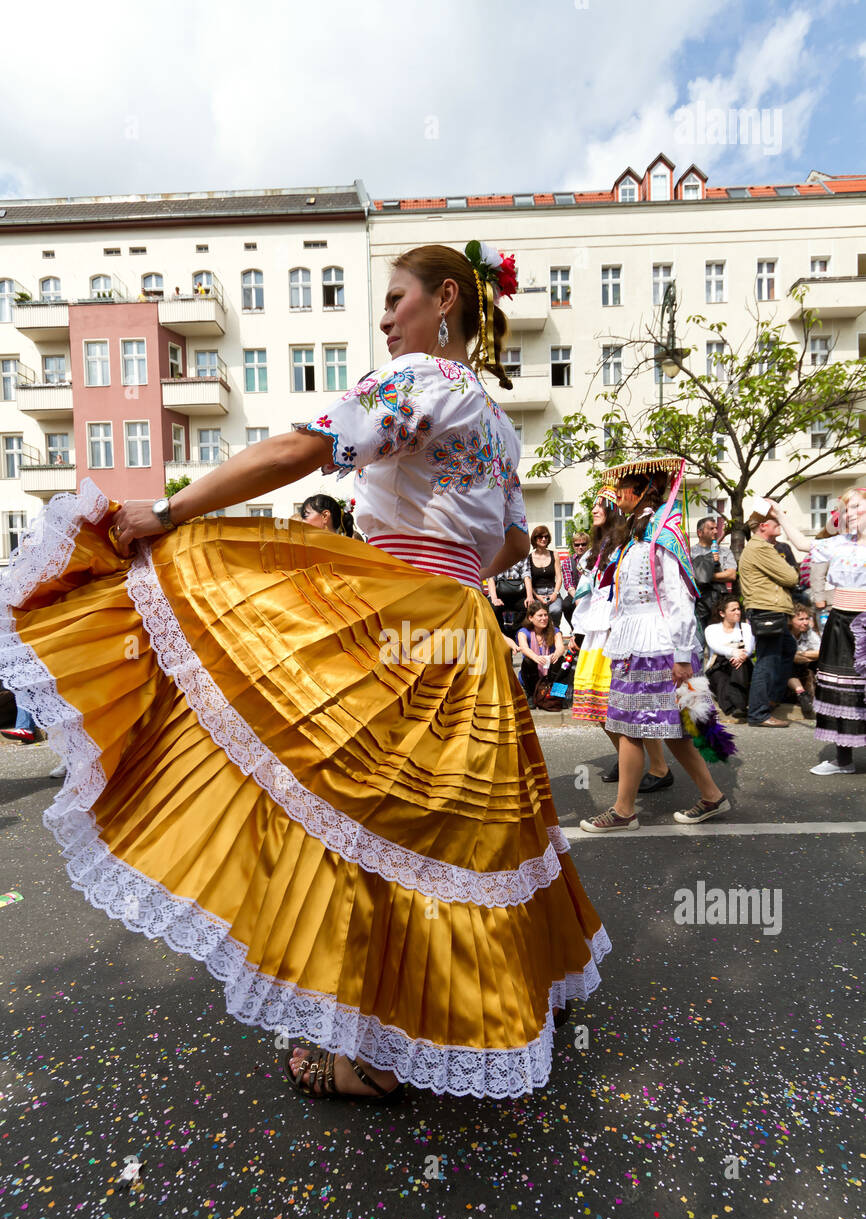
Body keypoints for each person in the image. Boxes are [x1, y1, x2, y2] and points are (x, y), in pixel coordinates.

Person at [0, 239, 608, 1103]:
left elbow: (302, 448)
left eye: (397, 298)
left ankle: (367, 1052)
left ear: (445, 300)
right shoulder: (496, 417)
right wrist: (447, 540)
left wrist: (169, 511)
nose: (387, 316)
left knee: (358, 810)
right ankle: (482, 1003)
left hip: (401, 611)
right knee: (455, 825)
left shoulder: (418, 382)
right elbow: (511, 541)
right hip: (464, 627)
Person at [580, 458, 730, 831]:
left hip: (660, 648)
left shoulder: (663, 536)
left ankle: (623, 811)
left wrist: (682, 656)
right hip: (636, 646)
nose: (617, 495)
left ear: (644, 490)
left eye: (623, 488)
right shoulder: (635, 537)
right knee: (671, 729)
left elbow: (679, 600)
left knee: (638, 726)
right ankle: (712, 796)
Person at [571, 488, 672, 791]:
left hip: (616, 629)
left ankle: (658, 766)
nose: (595, 510)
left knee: (626, 704)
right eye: (593, 505)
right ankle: (628, 757)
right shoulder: (596, 547)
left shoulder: (625, 541)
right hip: (595, 629)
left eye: (601, 504)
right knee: (597, 705)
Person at [770, 489, 866, 774]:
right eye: (846, 509)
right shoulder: (838, 543)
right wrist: (779, 515)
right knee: (840, 688)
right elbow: (801, 544)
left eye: (856, 507)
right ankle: (844, 760)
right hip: (841, 624)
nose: (849, 513)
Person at [737, 510, 799, 727]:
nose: (780, 525)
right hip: (767, 611)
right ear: (763, 526)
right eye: (776, 522)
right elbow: (791, 577)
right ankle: (759, 712)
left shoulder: (759, 547)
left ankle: (769, 699)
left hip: (768, 609)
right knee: (767, 660)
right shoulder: (761, 547)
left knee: (786, 649)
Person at [704, 597, 754, 718]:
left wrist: (741, 656)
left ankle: (738, 706)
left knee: (739, 666)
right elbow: (715, 646)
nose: (738, 612)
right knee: (721, 679)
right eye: (733, 610)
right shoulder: (711, 629)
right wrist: (733, 652)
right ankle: (733, 707)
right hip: (718, 665)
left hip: (741, 663)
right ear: (722, 613)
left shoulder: (745, 627)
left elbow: (750, 647)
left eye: (738, 609)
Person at [691, 516, 737, 634]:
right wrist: (717, 575)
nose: (716, 531)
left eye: (716, 528)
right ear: (700, 533)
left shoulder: (725, 551)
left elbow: (731, 575)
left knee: (720, 640)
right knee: (700, 645)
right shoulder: (691, 553)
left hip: (719, 602)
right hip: (698, 604)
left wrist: (703, 575)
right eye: (711, 528)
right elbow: (689, 577)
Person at [516, 600, 564, 706]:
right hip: (532, 673)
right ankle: (531, 694)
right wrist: (536, 657)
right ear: (530, 618)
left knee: (562, 661)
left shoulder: (554, 630)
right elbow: (524, 648)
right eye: (540, 615)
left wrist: (556, 654)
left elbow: (560, 647)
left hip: (549, 671)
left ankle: (558, 695)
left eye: (546, 615)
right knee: (528, 661)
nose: (544, 618)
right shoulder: (523, 632)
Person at [775, 604, 819, 718]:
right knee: (788, 663)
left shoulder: (808, 632)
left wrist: (802, 654)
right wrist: (807, 655)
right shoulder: (784, 634)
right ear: (790, 620)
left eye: (807, 618)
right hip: (786, 669)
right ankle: (802, 694)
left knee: (818, 663)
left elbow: (821, 652)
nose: (805, 622)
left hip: (804, 664)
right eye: (801, 619)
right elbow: (788, 656)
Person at [524, 525, 564, 626]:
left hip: (552, 592)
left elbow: (559, 578)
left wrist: (555, 593)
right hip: (537, 594)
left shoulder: (554, 554)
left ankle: (555, 635)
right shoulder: (529, 558)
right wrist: (536, 596)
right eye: (540, 537)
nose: (544, 539)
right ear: (535, 539)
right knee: (538, 616)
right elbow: (528, 580)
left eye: (546, 537)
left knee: (556, 611)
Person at [560, 531, 590, 631]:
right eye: (577, 544)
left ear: (588, 545)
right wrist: (578, 598)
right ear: (573, 546)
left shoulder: (594, 560)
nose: (580, 547)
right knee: (566, 605)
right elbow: (569, 584)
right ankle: (575, 629)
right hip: (575, 593)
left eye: (583, 544)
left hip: (591, 593)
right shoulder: (567, 562)